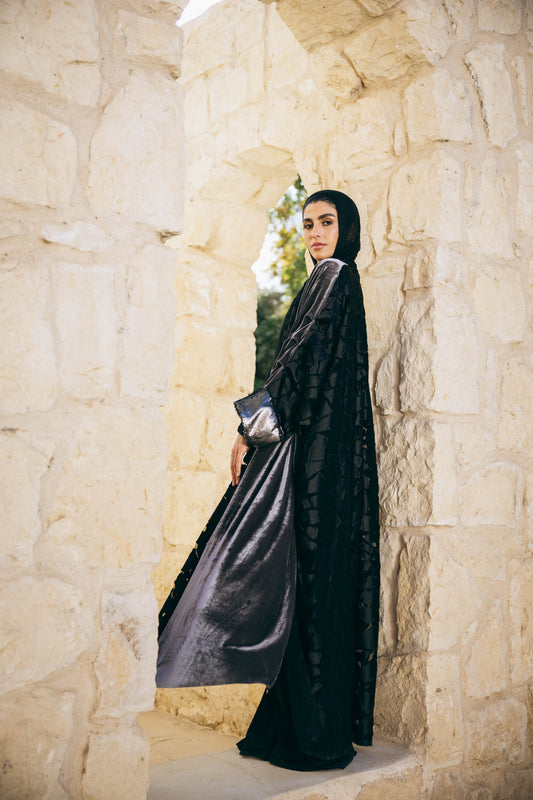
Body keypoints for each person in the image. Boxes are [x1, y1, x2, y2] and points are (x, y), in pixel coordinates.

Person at [156, 189, 380, 772]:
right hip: (328, 462)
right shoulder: (338, 281)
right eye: (307, 225)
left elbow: (299, 364)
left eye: (326, 222)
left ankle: (311, 738)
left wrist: (248, 432)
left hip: (312, 464)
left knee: (301, 588)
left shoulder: (334, 276)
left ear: (348, 228)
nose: (315, 234)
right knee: (311, 589)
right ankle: (307, 730)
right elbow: (306, 367)